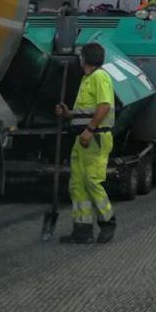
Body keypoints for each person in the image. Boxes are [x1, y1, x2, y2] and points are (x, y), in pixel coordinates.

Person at [54, 42, 117, 244]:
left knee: (92, 181)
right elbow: (87, 111)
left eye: (81, 56)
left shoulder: (100, 77)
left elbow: (104, 106)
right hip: (82, 139)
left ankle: (107, 223)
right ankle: (82, 230)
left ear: (85, 58)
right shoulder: (87, 79)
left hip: (95, 138)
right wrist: (68, 114)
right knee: (77, 184)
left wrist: (90, 129)